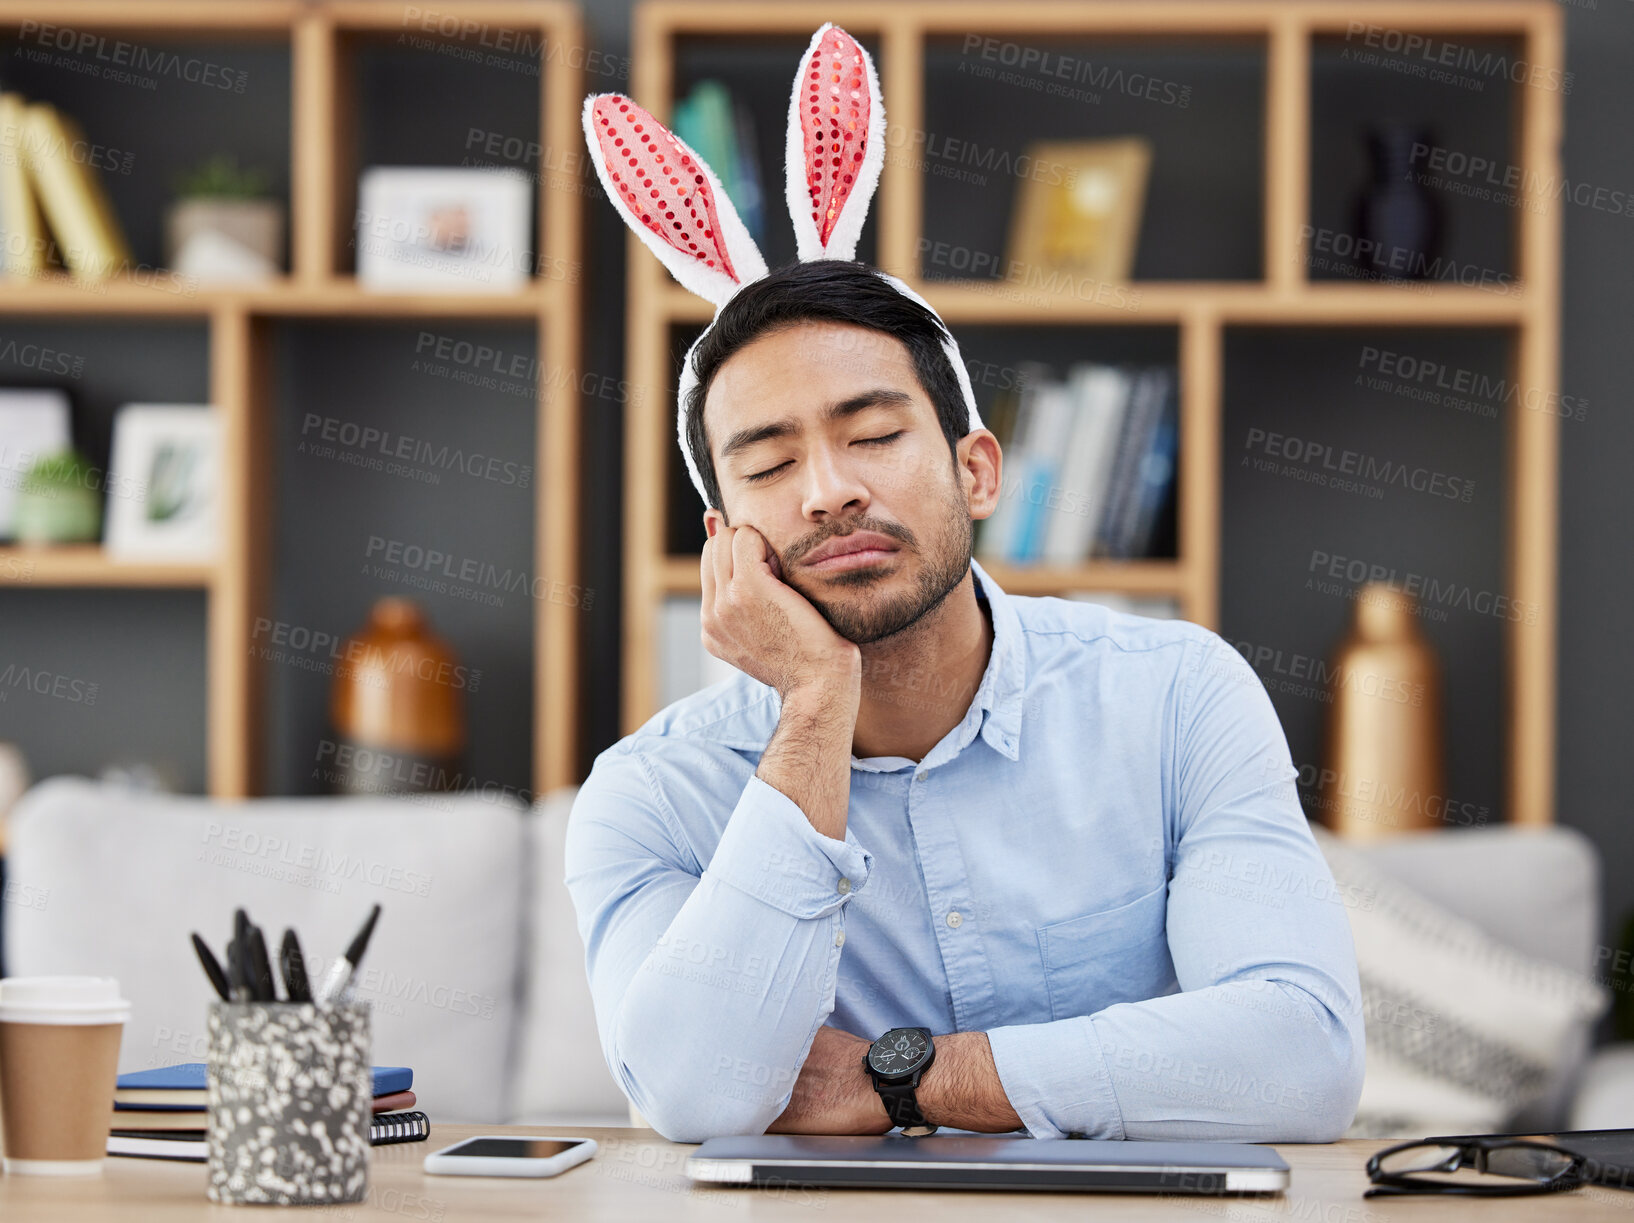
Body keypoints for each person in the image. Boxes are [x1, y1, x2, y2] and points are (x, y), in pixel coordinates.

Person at [563, 255, 1365, 1144]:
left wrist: (907, 1081)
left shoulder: (1179, 696)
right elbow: (698, 1096)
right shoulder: (651, 795)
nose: (829, 491)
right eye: (772, 463)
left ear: (977, 471)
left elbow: (1304, 1058)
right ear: (725, 545)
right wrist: (817, 699)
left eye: (872, 435)